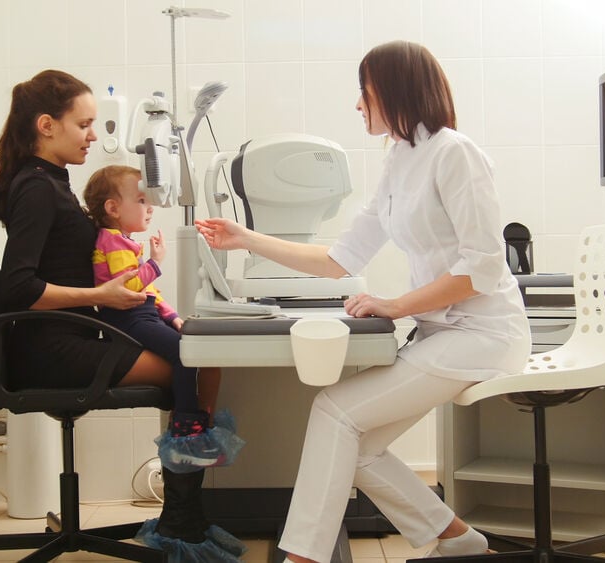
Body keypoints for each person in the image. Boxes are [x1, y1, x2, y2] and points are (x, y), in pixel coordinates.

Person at [195, 41, 532, 562]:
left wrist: (396, 305)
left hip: (482, 334)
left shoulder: (454, 152)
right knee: (361, 446)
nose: (358, 104)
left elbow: (483, 269)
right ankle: (460, 542)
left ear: (396, 91)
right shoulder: (401, 159)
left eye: (365, 91)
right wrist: (245, 238)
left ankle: (304, 557)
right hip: (442, 332)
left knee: (335, 413)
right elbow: (340, 259)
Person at [0, 69, 244, 562]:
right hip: (53, 348)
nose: (92, 135)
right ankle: (182, 520)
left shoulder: (51, 183)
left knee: (202, 359)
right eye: (83, 124)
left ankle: (182, 517)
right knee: (201, 362)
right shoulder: (38, 189)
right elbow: (15, 287)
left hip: (74, 335)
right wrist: (100, 296)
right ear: (46, 125)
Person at [82, 164, 243, 471]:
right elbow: (127, 287)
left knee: (188, 348)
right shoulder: (111, 240)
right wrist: (155, 263)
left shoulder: (124, 240)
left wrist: (172, 318)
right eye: (142, 200)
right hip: (128, 320)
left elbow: (150, 293)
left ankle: (192, 423)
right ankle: (185, 427)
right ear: (113, 208)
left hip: (141, 315)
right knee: (186, 355)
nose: (151, 207)